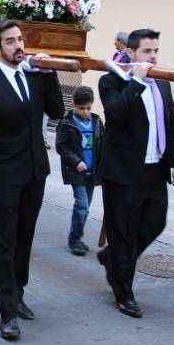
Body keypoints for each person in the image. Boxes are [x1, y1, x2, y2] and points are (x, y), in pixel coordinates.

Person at [0, 19, 64, 340]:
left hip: (34, 173)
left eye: (20, 39)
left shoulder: (33, 78)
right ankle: (7, 312)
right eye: (10, 41)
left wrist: (50, 76)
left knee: (24, 239)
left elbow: (56, 111)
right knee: (5, 244)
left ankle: (18, 291)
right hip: (3, 177)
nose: (18, 45)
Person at [96, 29, 174, 318]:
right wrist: (136, 81)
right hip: (122, 171)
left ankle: (113, 259)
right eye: (147, 52)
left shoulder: (162, 84)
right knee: (123, 232)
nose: (153, 56)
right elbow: (116, 113)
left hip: (154, 169)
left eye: (156, 50)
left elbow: (171, 124)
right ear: (131, 53)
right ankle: (124, 293)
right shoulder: (111, 80)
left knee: (154, 223)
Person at [55, 86, 105, 257]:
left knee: (86, 207)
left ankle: (76, 237)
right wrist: (76, 161)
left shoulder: (97, 122)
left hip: (93, 171)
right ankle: (75, 239)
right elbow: (61, 146)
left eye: (88, 108)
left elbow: (103, 144)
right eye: (81, 108)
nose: (85, 112)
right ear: (74, 106)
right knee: (82, 205)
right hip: (76, 171)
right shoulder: (66, 123)